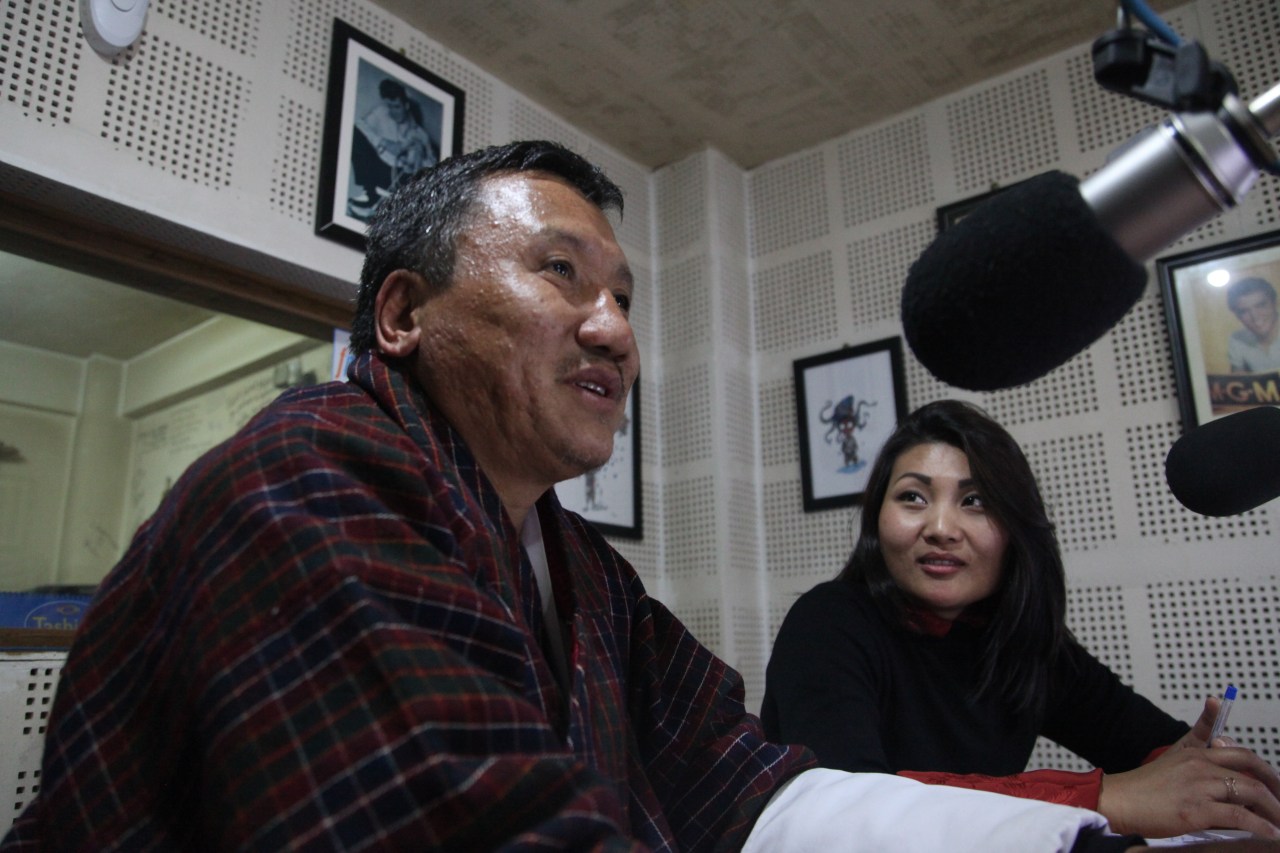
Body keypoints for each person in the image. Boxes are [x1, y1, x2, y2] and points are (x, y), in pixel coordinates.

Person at [1, 141, 1260, 852]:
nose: (612, 329)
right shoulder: (308, 474)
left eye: (626, 297)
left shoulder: (582, 572)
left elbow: (749, 783)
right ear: (400, 316)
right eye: (561, 274)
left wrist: (1068, 842)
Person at [762, 399, 1280, 841]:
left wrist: (1196, 768)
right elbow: (852, 814)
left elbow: (1143, 741)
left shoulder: (1020, 640)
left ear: (1015, 527)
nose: (941, 527)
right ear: (878, 520)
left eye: (975, 501)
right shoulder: (828, 622)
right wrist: (1106, 797)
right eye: (913, 497)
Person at [348, 78, 439, 219]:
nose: (392, 112)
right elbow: (360, 125)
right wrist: (383, 142)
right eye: (389, 106)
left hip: (403, 176)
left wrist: (418, 157)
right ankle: (369, 193)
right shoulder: (380, 113)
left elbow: (433, 165)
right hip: (379, 167)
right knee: (355, 133)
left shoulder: (420, 134)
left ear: (406, 105)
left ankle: (395, 207)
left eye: (396, 107)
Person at [1226, 277, 1280, 373]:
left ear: (1275, 303)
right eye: (1244, 311)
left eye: (1261, 305)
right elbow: (1239, 382)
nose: (1255, 317)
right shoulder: (1237, 339)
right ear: (1237, 316)